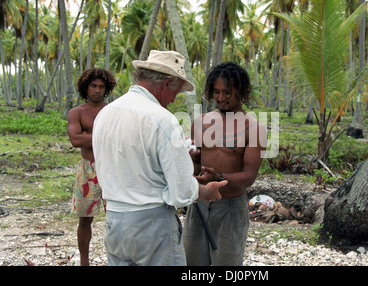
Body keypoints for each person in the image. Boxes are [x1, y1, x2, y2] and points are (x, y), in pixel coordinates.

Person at [91, 50, 225, 266]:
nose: (173, 99)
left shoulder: (105, 114)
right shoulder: (163, 119)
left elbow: (129, 169)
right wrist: (206, 191)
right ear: (167, 84)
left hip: (115, 222)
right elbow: (181, 193)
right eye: (177, 92)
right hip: (151, 226)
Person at [183, 62, 267, 266]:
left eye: (227, 92)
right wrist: (188, 157)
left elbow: (249, 176)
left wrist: (219, 178)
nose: (221, 98)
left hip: (230, 208)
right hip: (199, 204)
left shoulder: (254, 128)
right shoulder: (200, 122)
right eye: (216, 92)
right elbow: (195, 165)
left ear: (241, 90)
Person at [67, 68, 117, 266]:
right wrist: (104, 137)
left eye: (101, 87)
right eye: (93, 86)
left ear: (106, 89)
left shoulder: (112, 110)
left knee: (116, 216)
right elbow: (75, 139)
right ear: (85, 87)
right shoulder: (76, 112)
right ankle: (84, 261)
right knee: (85, 219)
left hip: (112, 167)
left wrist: (89, 137)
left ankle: (116, 258)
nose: (97, 90)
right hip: (88, 170)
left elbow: (118, 138)